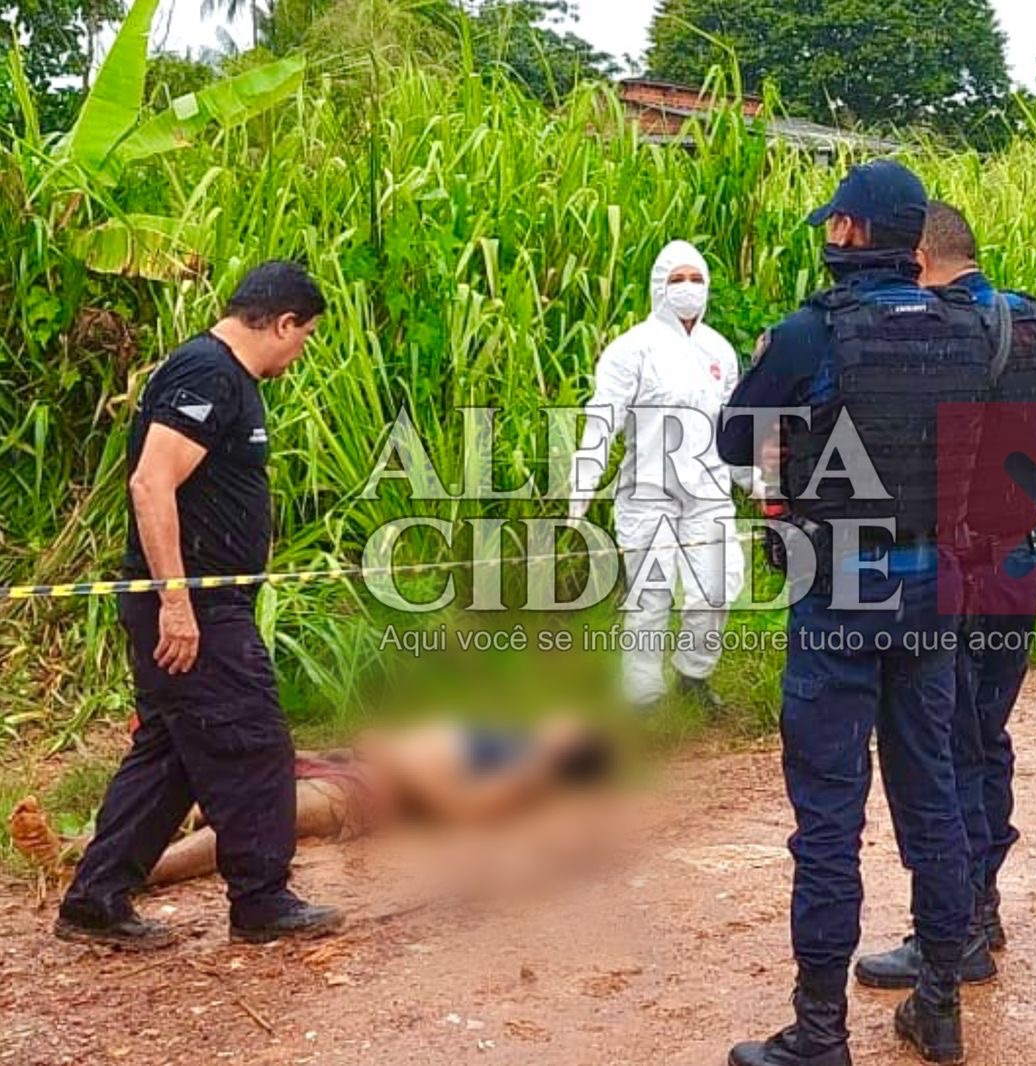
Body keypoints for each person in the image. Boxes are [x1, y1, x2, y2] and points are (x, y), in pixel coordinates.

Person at [717, 162, 992, 1066]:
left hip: (839, 589)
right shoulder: (970, 329)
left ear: (848, 232)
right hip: (932, 589)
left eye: (833, 224)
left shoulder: (812, 332)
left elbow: (732, 437)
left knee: (829, 819)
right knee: (934, 797)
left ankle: (820, 1032)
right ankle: (940, 1006)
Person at [56, 262, 344, 951]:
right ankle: (261, 900)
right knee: (252, 743)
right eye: (304, 336)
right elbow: (151, 483)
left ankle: (96, 900)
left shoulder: (220, 376)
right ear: (283, 323)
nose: (300, 352)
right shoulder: (209, 373)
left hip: (200, 602)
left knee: (172, 757)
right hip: (197, 608)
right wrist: (177, 603)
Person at [854, 202, 1036, 990]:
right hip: (1022, 560)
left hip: (964, 568)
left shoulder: (950, 333)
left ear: (917, 257)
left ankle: (956, 932)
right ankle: (983, 901)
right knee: (985, 734)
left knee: (944, 749)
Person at [568, 240, 748, 710]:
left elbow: (731, 425)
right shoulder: (631, 350)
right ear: (658, 287)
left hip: (709, 491)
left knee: (717, 587)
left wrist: (758, 482)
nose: (688, 288)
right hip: (648, 492)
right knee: (652, 592)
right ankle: (643, 693)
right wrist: (582, 485)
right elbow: (603, 419)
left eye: (696, 279)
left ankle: (694, 675)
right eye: (677, 279)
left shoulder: (719, 350)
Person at [143, 717, 613, 886]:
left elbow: (462, 809)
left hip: (369, 793)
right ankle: (116, 853)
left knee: (257, 817)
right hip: (350, 765)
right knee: (216, 791)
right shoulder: (511, 739)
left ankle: (143, 871)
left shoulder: (528, 773)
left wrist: (395, 758)